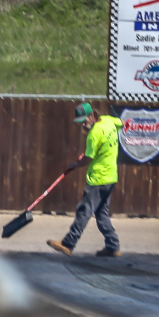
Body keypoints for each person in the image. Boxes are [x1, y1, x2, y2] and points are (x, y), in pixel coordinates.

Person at [48, 102, 122, 257]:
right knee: (101, 214)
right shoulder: (109, 121)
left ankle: (68, 244)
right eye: (80, 121)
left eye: (84, 120)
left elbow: (87, 159)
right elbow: (121, 123)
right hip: (110, 177)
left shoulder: (94, 134)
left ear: (92, 115)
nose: (82, 124)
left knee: (84, 211)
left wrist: (75, 164)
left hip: (98, 179)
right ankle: (113, 246)